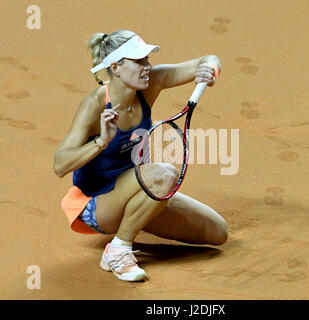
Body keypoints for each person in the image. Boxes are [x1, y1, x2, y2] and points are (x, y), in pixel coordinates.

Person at [54, 30, 228, 282]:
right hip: (97, 203)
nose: (147, 67)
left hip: (139, 188)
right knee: (165, 174)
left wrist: (209, 70)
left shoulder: (150, 83)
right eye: (139, 62)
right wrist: (101, 142)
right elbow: (60, 164)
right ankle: (118, 249)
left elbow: (210, 59)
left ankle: (136, 215)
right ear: (116, 67)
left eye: (147, 60)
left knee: (217, 232)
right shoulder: (94, 105)